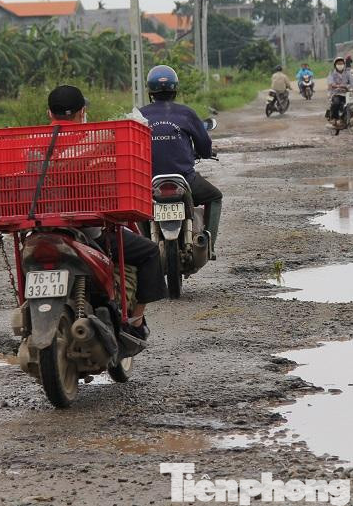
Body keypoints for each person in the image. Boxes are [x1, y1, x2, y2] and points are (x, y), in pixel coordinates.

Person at [47, 84, 163, 342]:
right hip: (87, 232)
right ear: (82, 112)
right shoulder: (95, 141)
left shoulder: (34, 143)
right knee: (150, 251)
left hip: (41, 228)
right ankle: (136, 321)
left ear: (49, 113)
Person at [139, 65, 223, 253]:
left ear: (150, 91)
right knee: (215, 197)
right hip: (185, 179)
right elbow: (204, 144)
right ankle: (208, 245)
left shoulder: (139, 115)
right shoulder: (186, 113)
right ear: (175, 89)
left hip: (147, 182)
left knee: (135, 207)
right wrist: (205, 153)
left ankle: (144, 241)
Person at [326, 56, 353, 121]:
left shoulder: (348, 72)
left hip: (347, 92)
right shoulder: (332, 73)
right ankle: (334, 118)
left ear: (344, 64)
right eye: (338, 64)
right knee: (336, 103)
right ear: (335, 65)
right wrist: (334, 85)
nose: (340, 65)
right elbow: (330, 82)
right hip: (336, 93)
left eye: (341, 63)